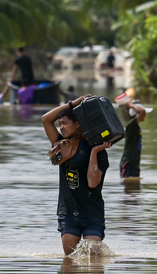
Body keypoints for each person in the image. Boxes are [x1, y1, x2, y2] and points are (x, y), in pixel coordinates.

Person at [42, 95, 111, 255]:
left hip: (92, 213)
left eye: (65, 123)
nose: (62, 128)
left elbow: (93, 183)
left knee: (93, 258)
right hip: (68, 212)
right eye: (60, 124)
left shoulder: (98, 150)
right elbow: (46, 119)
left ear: (78, 124)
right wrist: (74, 103)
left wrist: (94, 153)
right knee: (70, 260)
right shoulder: (61, 145)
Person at [119, 100, 153, 178]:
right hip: (129, 163)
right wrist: (131, 105)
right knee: (129, 187)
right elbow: (142, 111)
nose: (145, 115)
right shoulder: (131, 125)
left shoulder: (136, 126)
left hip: (134, 163)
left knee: (134, 188)